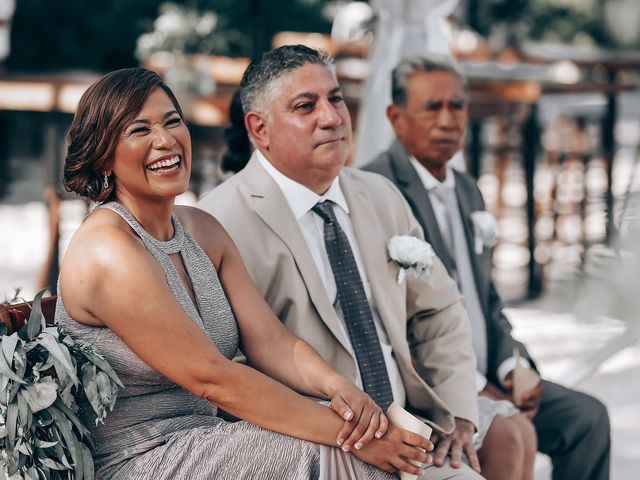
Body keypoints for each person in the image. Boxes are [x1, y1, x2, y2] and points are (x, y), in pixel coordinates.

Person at [56, 67, 433, 479]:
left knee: (361, 440)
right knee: (353, 454)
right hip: (140, 457)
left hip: (209, 437)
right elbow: (213, 379)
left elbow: (271, 342)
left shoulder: (203, 230)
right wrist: (356, 436)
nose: (165, 140)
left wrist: (338, 388)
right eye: (139, 130)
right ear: (104, 157)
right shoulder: (108, 249)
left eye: (172, 121)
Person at [197, 45, 483, 480]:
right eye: (305, 106)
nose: (332, 117)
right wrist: (346, 436)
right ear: (259, 128)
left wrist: (459, 414)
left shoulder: (382, 195)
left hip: (417, 431)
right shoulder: (217, 222)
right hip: (314, 447)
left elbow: (439, 310)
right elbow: (227, 368)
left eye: (335, 99)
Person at [364, 54, 611, 480]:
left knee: (587, 419)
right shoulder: (374, 191)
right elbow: (391, 323)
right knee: (509, 434)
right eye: (431, 107)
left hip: (492, 374)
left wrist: (514, 369)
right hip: (434, 387)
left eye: (457, 106)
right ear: (395, 116)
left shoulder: (466, 189)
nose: (448, 120)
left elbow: (488, 302)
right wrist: (477, 387)